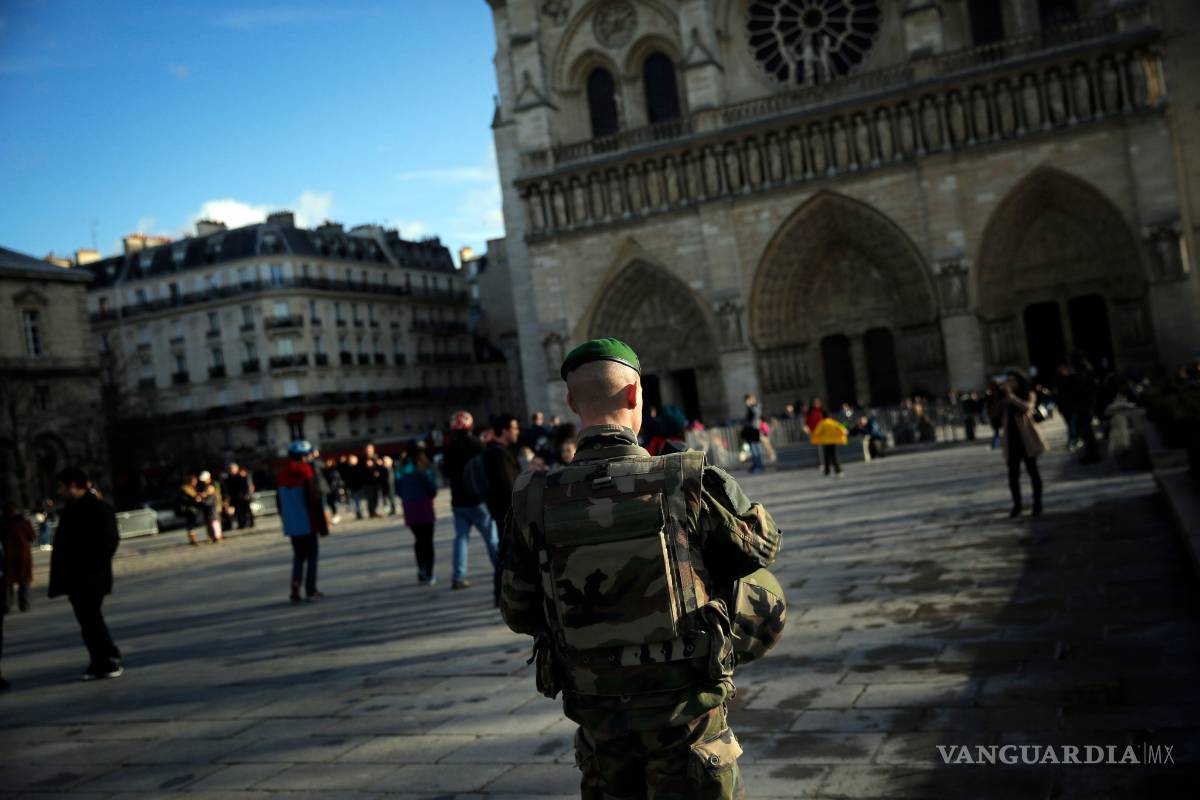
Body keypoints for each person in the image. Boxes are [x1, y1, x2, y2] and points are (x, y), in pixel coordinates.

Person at [501, 338, 783, 799]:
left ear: (571, 403)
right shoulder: (683, 476)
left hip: (599, 720)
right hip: (689, 719)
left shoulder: (533, 497)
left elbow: (518, 610)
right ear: (635, 395)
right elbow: (764, 547)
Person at [47, 468, 122, 681]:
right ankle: (103, 656)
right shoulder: (73, 509)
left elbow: (109, 541)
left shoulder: (97, 508)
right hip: (77, 576)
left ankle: (105, 659)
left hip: (89, 575)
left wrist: (92, 565)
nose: (59, 491)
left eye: (61, 486)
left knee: (91, 620)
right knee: (89, 620)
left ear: (73, 485)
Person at [440, 410, 500, 591]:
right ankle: (502, 571)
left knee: (461, 539)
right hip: (478, 499)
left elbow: (446, 473)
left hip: (458, 500)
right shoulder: (477, 445)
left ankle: (458, 576)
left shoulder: (449, 447)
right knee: (492, 538)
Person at [276, 440, 329, 602]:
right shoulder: (307, 472)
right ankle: (311, 589)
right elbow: (315, 499)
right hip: (308, 521)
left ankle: (295, 588)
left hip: (292, 523)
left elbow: (279, 502)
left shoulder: (282, 474)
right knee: (312, 555)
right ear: (305, 456)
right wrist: (323, 524)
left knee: (298, 556)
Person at [484, 415, 521, 608]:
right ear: (505, 430)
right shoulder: (497, 455)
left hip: (503, 511)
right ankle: (501, 595)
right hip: (506, 512)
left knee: (506, 551)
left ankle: (503, 594)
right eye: (514, 428)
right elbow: (508, 486)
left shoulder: (499, 452)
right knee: (506, 552)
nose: (517, 431)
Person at [1002, 370, 1048, 518]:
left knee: (1033, 471)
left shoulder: (1028, 394)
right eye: (1008, 380)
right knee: (1013, 476)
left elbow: (1027, 407)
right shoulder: (1005, 398)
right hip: (1011, 441)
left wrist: (1012, 397)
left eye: (1012, 380)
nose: (1010, 383)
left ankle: (1037, 504)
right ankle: (1017, 505)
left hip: (1026, 439)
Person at [397, 447, 439, 585]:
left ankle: (421, 568)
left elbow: (398, 488)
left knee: (419, 539)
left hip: (409, 507)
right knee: (428, 541)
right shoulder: (424, 468)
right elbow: (432, 488)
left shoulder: (401, 469)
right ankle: (429, 573)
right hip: (424, 505)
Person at [2, 502, 34, 612]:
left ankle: (6, 606)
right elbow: (32, 536)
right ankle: (24, 605)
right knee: (24, 581)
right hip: (23, 555)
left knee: (7, 582)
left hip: (7, 556)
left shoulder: (3, 524)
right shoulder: (24, 522)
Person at [742, 394, 765, 474]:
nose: (746, 402)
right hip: (751, 430)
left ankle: (759, 466)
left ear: (752, 399)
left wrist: (750, 407)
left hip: (755, 430)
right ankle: (756, 465)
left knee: (756, 449)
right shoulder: (751, 408)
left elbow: (756, 415)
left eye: (748, 400)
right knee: (753, 449)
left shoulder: (756, 407)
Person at [178, 474, 202, 546]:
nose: (195, 482)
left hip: (191, 508)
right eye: (194, 481)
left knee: (192, 524)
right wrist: (195, 500)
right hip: (189, 509)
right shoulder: (185, 489)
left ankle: (193, 539)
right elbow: (185, 500)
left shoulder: (192, 488)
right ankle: (193, 540)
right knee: (190, 524)